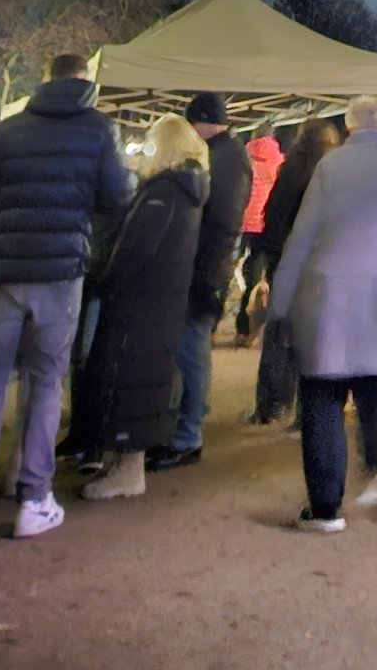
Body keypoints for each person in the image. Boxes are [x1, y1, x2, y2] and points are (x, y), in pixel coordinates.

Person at [0, 55, 125, 546]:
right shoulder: (99, 129)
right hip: (60, 272)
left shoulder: (9, 130)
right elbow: (116, 197)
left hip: (3, 272)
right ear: (86, 80)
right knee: (45, 382)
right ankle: (33, 499)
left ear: (45, 79)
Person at [270, 96, 377, 533]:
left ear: (349, 126)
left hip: (330, 300)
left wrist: (281, 303)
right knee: (373, 385)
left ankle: (325, 509)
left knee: (323, 400)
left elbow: (301, 238)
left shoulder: (330, 168)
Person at [71, 116, 207, 501]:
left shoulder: (164, 192)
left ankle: (127, 468)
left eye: (151, 140)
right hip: (160, 302)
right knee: (142, 378)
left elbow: (135, 251)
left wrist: (103, 278)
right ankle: (123, 464)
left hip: (140, 302)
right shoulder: (187, 189)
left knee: (130, 380)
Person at [151, 92, 250, 472]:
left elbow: (219, 223)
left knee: (191, 352)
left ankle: (187, 435)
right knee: (188, 350)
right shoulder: (228, 154)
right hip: (204, 267)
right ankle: (183, 429)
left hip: (202, 269)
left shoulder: (225, 159)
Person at [248, 120, 337, 425]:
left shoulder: (290, 171)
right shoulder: (329, 175)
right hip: (318, 268)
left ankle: (271, 405)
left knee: (279, 335)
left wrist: (275, 261)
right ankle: (306, 412)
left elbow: (272, 218)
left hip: (287, 264)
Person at [233, 130, 282, 346]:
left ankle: (232, 328)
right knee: (260, 274)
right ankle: (251, 328)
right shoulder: (279, 161)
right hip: (264, 224)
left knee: (228, 271)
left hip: (241, 221)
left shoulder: (244, 158)